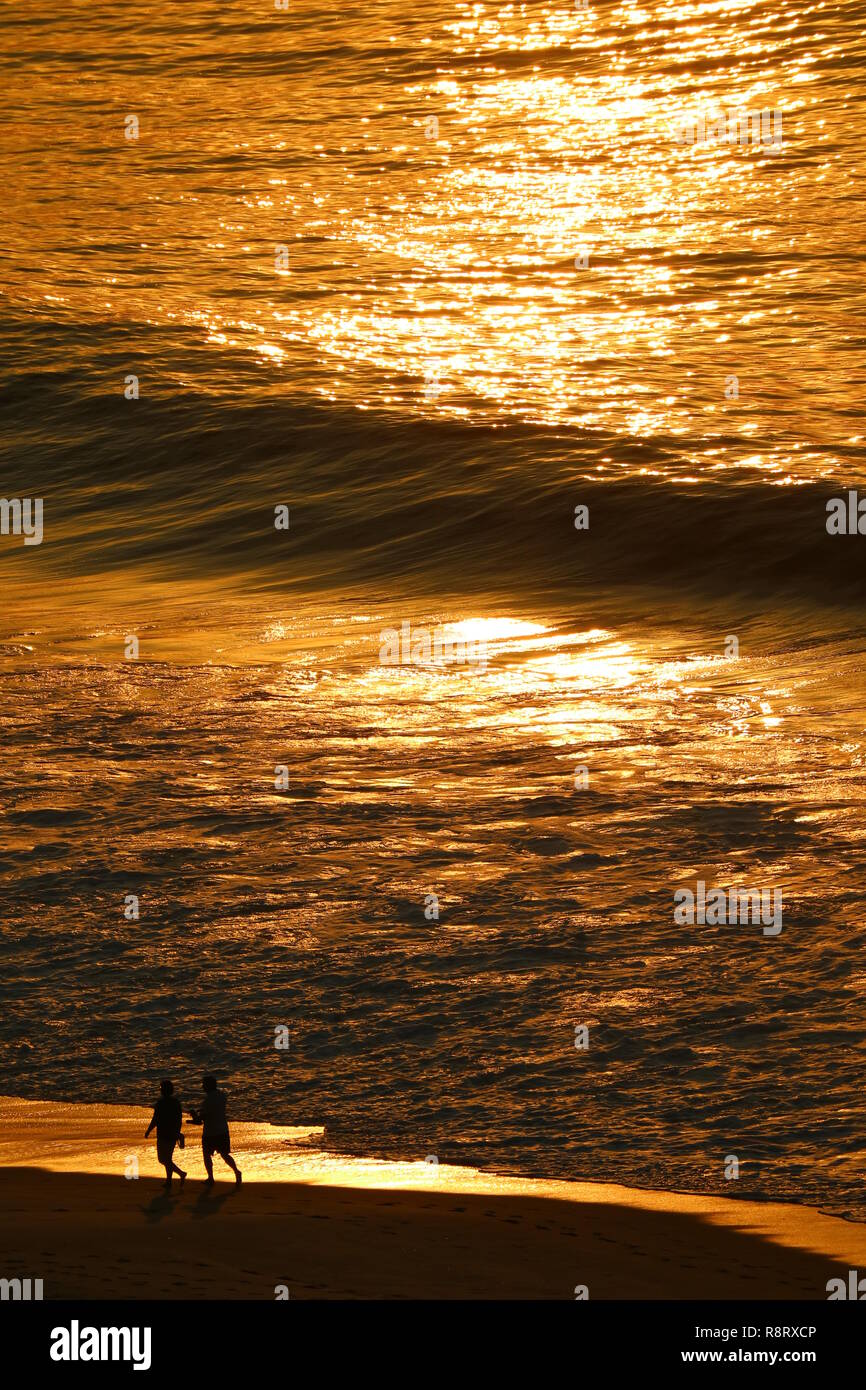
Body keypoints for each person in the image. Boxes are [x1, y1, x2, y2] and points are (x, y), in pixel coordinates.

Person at [187, 1075, 242, 1187]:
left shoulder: (207, 1101)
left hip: (210, 1132)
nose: (202, 1087)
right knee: (225, 1154)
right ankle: (236, 1171)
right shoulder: (222, 1096)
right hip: (223, 1129)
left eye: (204, 1085)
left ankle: (211, 1178)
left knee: (206, 1154)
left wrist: (193, 1115)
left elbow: (200, 1120)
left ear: (208, 1086)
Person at [145, 1078, 187, 1190]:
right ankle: (169, 1181)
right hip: (173, 1133)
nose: (160, 1090)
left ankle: (181, 1174)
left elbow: (155, 1119)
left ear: (163, 1090)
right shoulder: (176, 1102)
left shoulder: (161, 1103)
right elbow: (179, 1119)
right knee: (168, 1158)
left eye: (161, 1088)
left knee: (163, 1159)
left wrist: (149, 1130)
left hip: (163, 1133)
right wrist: (177, 1132)